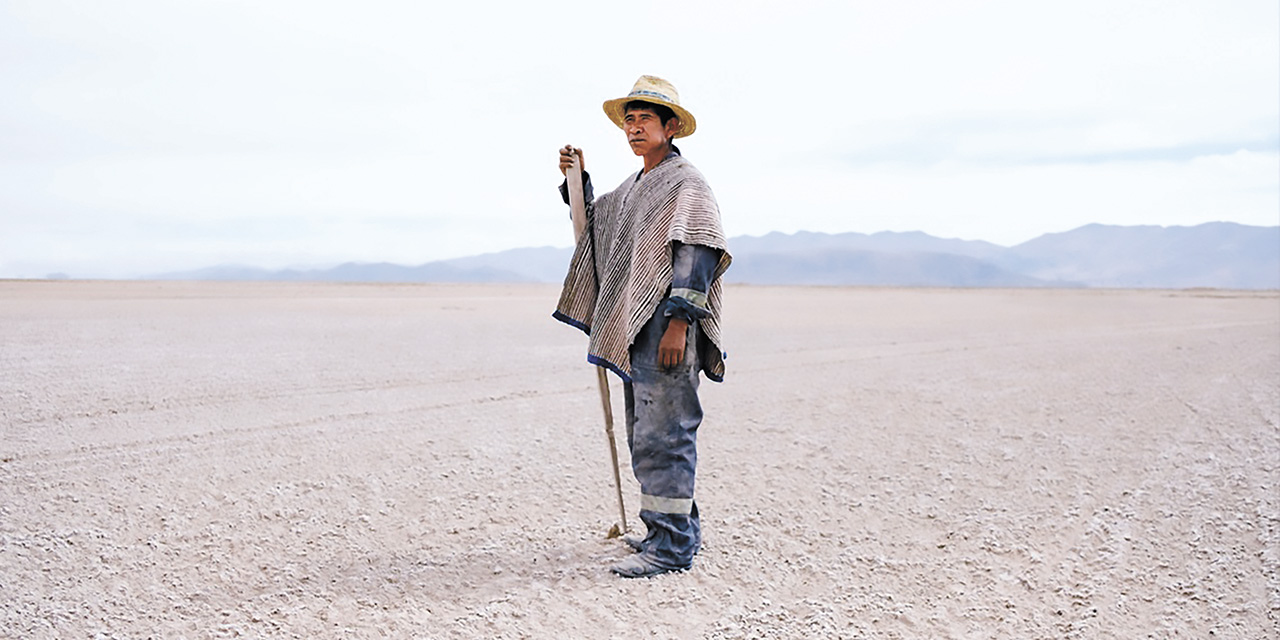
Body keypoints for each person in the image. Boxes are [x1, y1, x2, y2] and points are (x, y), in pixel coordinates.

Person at [554, 75, 731, 578]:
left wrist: (679, 324)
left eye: (644, 119)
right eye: (629, 120)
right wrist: (577, 180)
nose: (634, 128)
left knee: (667, 433)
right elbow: (596, 223)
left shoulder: (686, 183)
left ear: (671, 126)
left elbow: (697, 250)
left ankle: (672, 547)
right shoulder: (635, 187)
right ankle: (667, 529)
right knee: (644, 432)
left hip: (669, 328)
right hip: (639, 331)